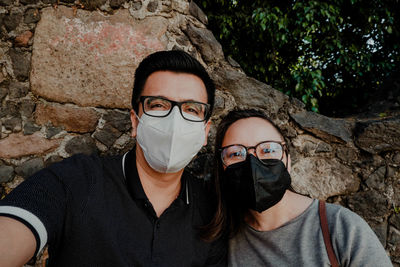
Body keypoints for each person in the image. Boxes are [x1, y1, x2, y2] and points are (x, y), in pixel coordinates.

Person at [0, 50, 226, 266]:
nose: (175, 121)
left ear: (205, 132)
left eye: (192, 109)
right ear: (135, 121)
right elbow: (16, 225)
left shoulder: (211, 213)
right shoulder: (78, 180)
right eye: (158, 105)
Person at [206, 108, 392, 266]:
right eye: (236, 153)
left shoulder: (342, 228)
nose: (253, 162)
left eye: (268, 150)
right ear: (221, 167)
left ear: (287, 159)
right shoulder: (221, 238)